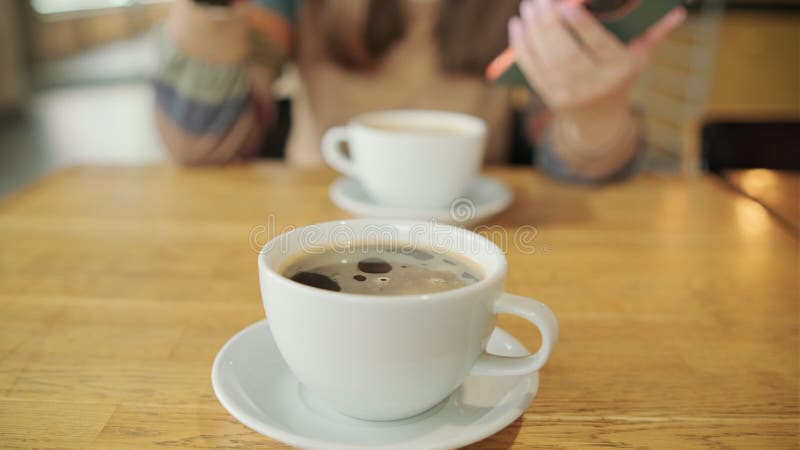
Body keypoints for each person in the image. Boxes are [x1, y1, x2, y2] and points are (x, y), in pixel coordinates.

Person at [155, 0, 686, 182]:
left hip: (477, 238)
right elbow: (203, 147)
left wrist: (595, 114)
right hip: (316, 232)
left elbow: (583, 166)